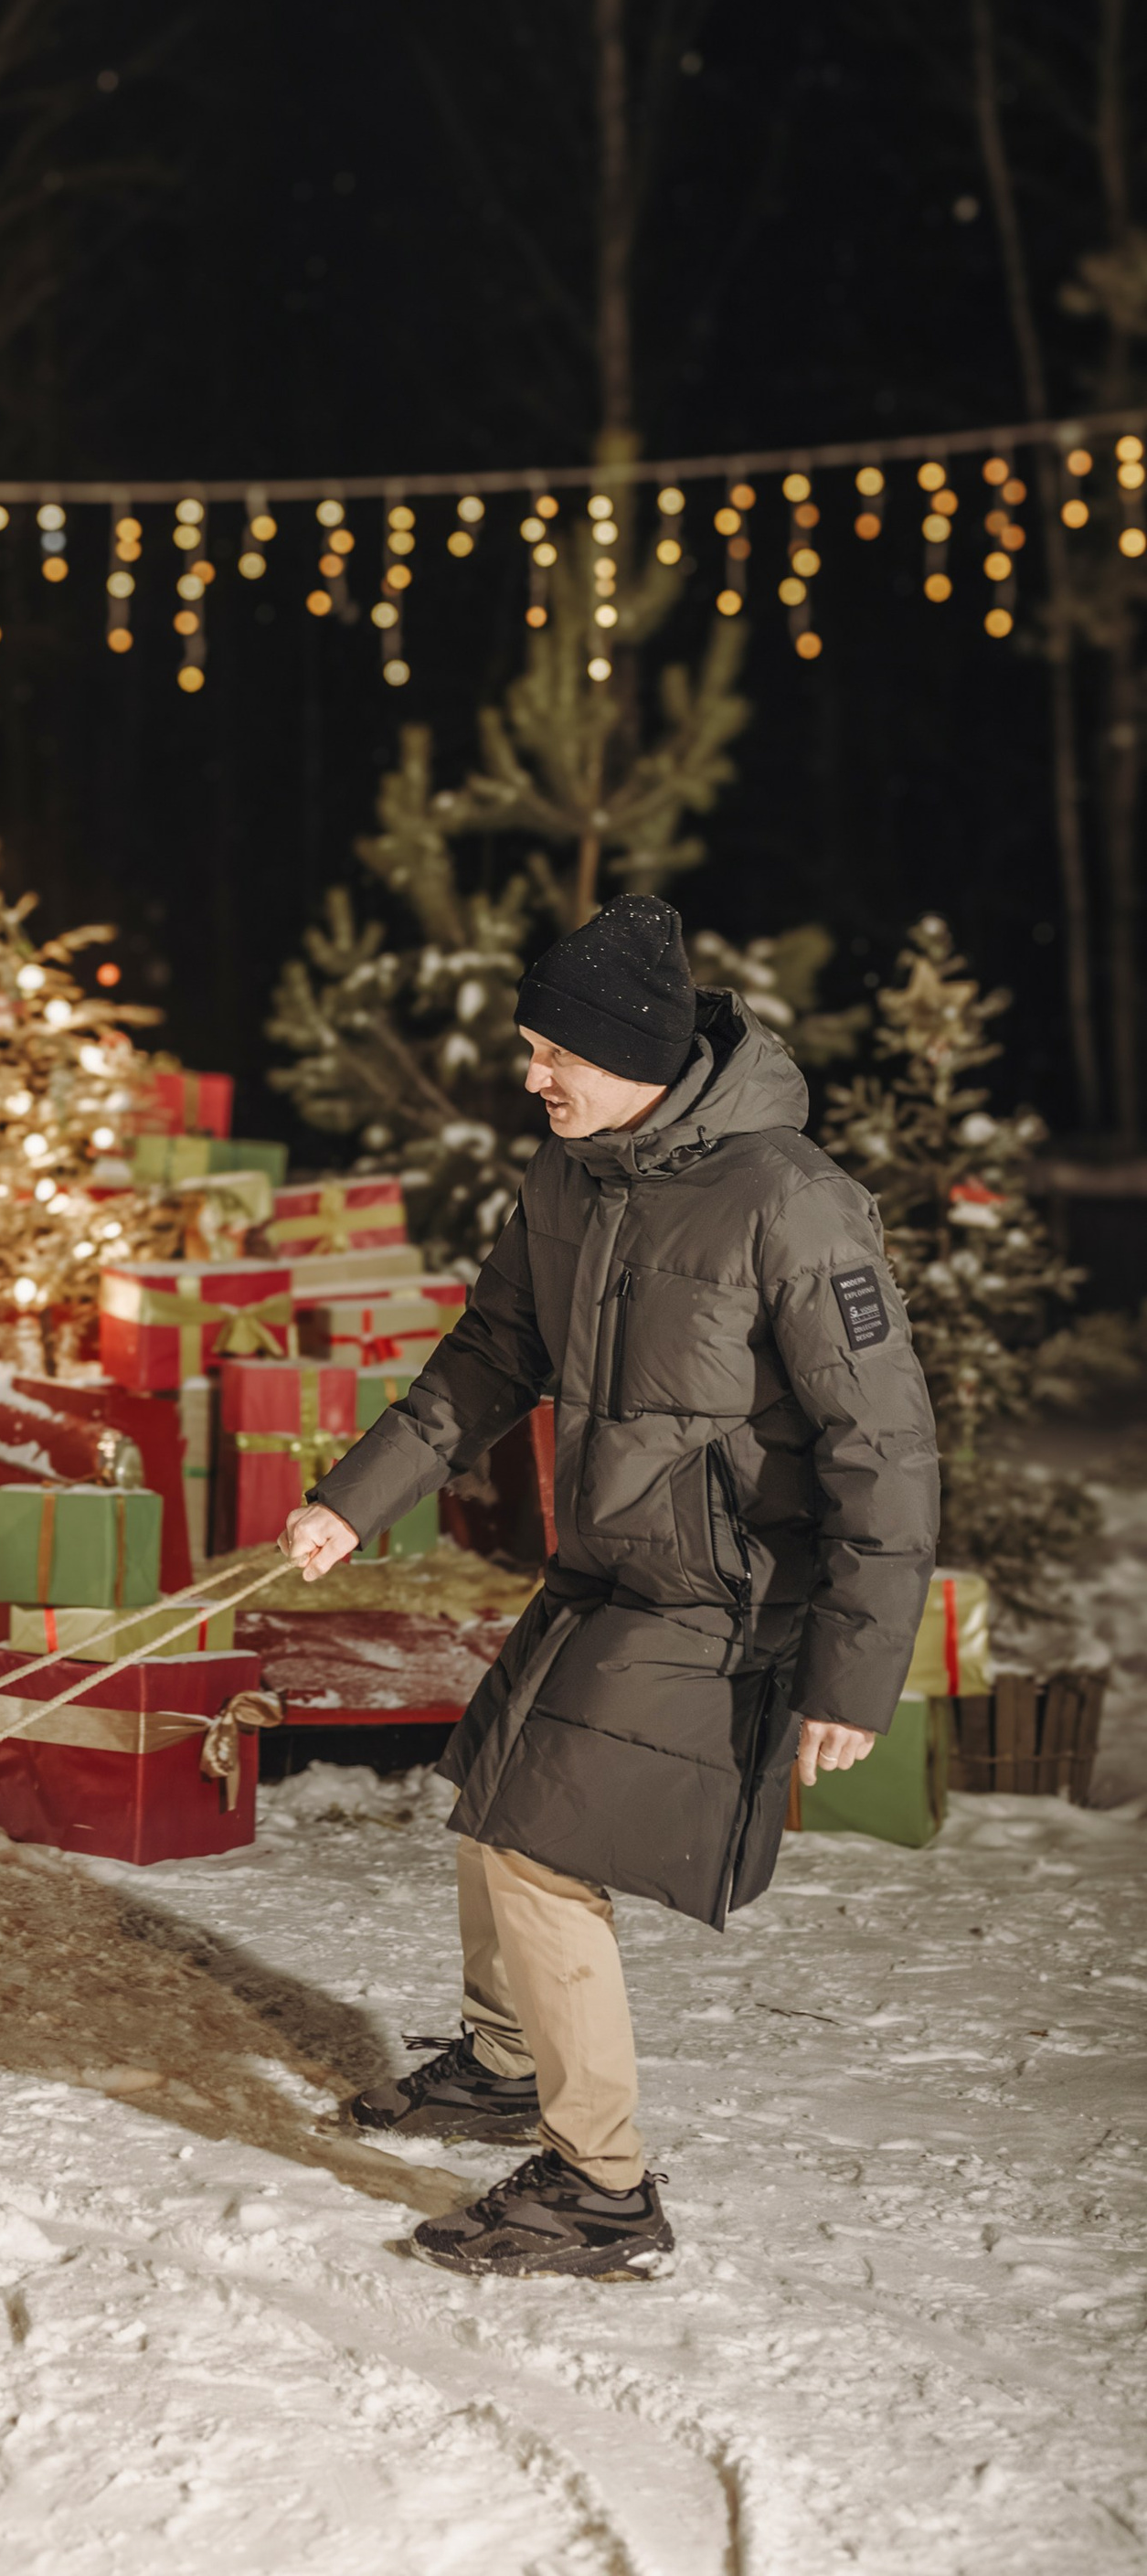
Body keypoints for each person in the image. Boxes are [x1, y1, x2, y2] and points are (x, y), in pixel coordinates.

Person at [283, 896, 938, 2281]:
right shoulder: (570, 1177)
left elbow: (884, 1447)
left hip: (731, 1597)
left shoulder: (789, 1201)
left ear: (631, 1050)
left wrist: (855, 1670)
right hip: (611, 1565)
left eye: (547, 1050)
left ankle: (603, 2189)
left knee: (538, 1844)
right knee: (489, 1785)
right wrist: (356, 1501)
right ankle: (506, 2063)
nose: (530, 1074)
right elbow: (485, 1358)